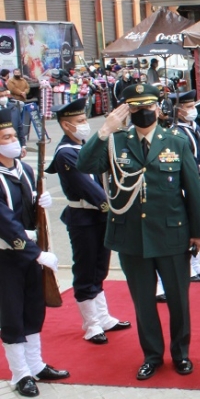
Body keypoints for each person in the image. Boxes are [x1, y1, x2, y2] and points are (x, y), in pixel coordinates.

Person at [76, 84, 200, 381]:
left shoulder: (175, 140)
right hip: (131, 235)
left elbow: (193, 189)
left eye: (148, 106)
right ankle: (152, 355)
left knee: (178, 300)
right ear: (127, 111)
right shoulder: (116, 141)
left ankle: (181, 354)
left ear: (158, 108)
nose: (143, 112)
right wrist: (105, 129)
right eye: (135, 108)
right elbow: (84, 164)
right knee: (144, 302)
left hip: (171, 233)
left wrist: (197, 231)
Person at [46, 98, 131, 345]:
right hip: (84, 218)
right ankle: (91, 324)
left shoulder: (85, 146)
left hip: (100, 216)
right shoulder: (65, 153)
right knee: (85, 270)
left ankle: (103, 317)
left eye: (85, 120)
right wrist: (114, 208)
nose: (85, 125)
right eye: (79, 121)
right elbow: (89, 189)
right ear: (65, 126)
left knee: (100, 267)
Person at [0, 108, 71, 397]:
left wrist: (40, 202)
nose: (12, 141)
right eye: (5, 137)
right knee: (12, 315)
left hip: (31, 255)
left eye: (13, 135)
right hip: (7, 257)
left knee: (33, 310)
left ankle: (36, 364)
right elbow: (3, 220)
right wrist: (34, 253)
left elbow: (30, 215)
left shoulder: (25, 169)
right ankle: (21, 373)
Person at [171, 90, 200, 283]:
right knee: (188, 226)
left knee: (198, 222)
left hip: (198, 182)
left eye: (193, 106)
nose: (193, 110)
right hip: (189, 184)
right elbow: (186, 165)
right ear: (178, 111)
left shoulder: (193, 127)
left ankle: (196, 263)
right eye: (188, 107)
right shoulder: (176, 132)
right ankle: (187, 265)